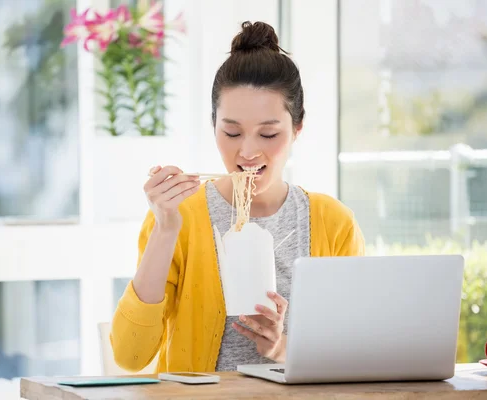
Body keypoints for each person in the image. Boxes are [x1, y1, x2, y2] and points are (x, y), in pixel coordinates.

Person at [110, 20, 365, 373]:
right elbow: (130, 355)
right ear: (213, 126)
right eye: (231, 132)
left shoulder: (333, 222)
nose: (248, 151)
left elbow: (352, 352)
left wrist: (281, 349)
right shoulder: (178, 216)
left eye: (269, 134)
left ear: (297, 129)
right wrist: (166, 229)